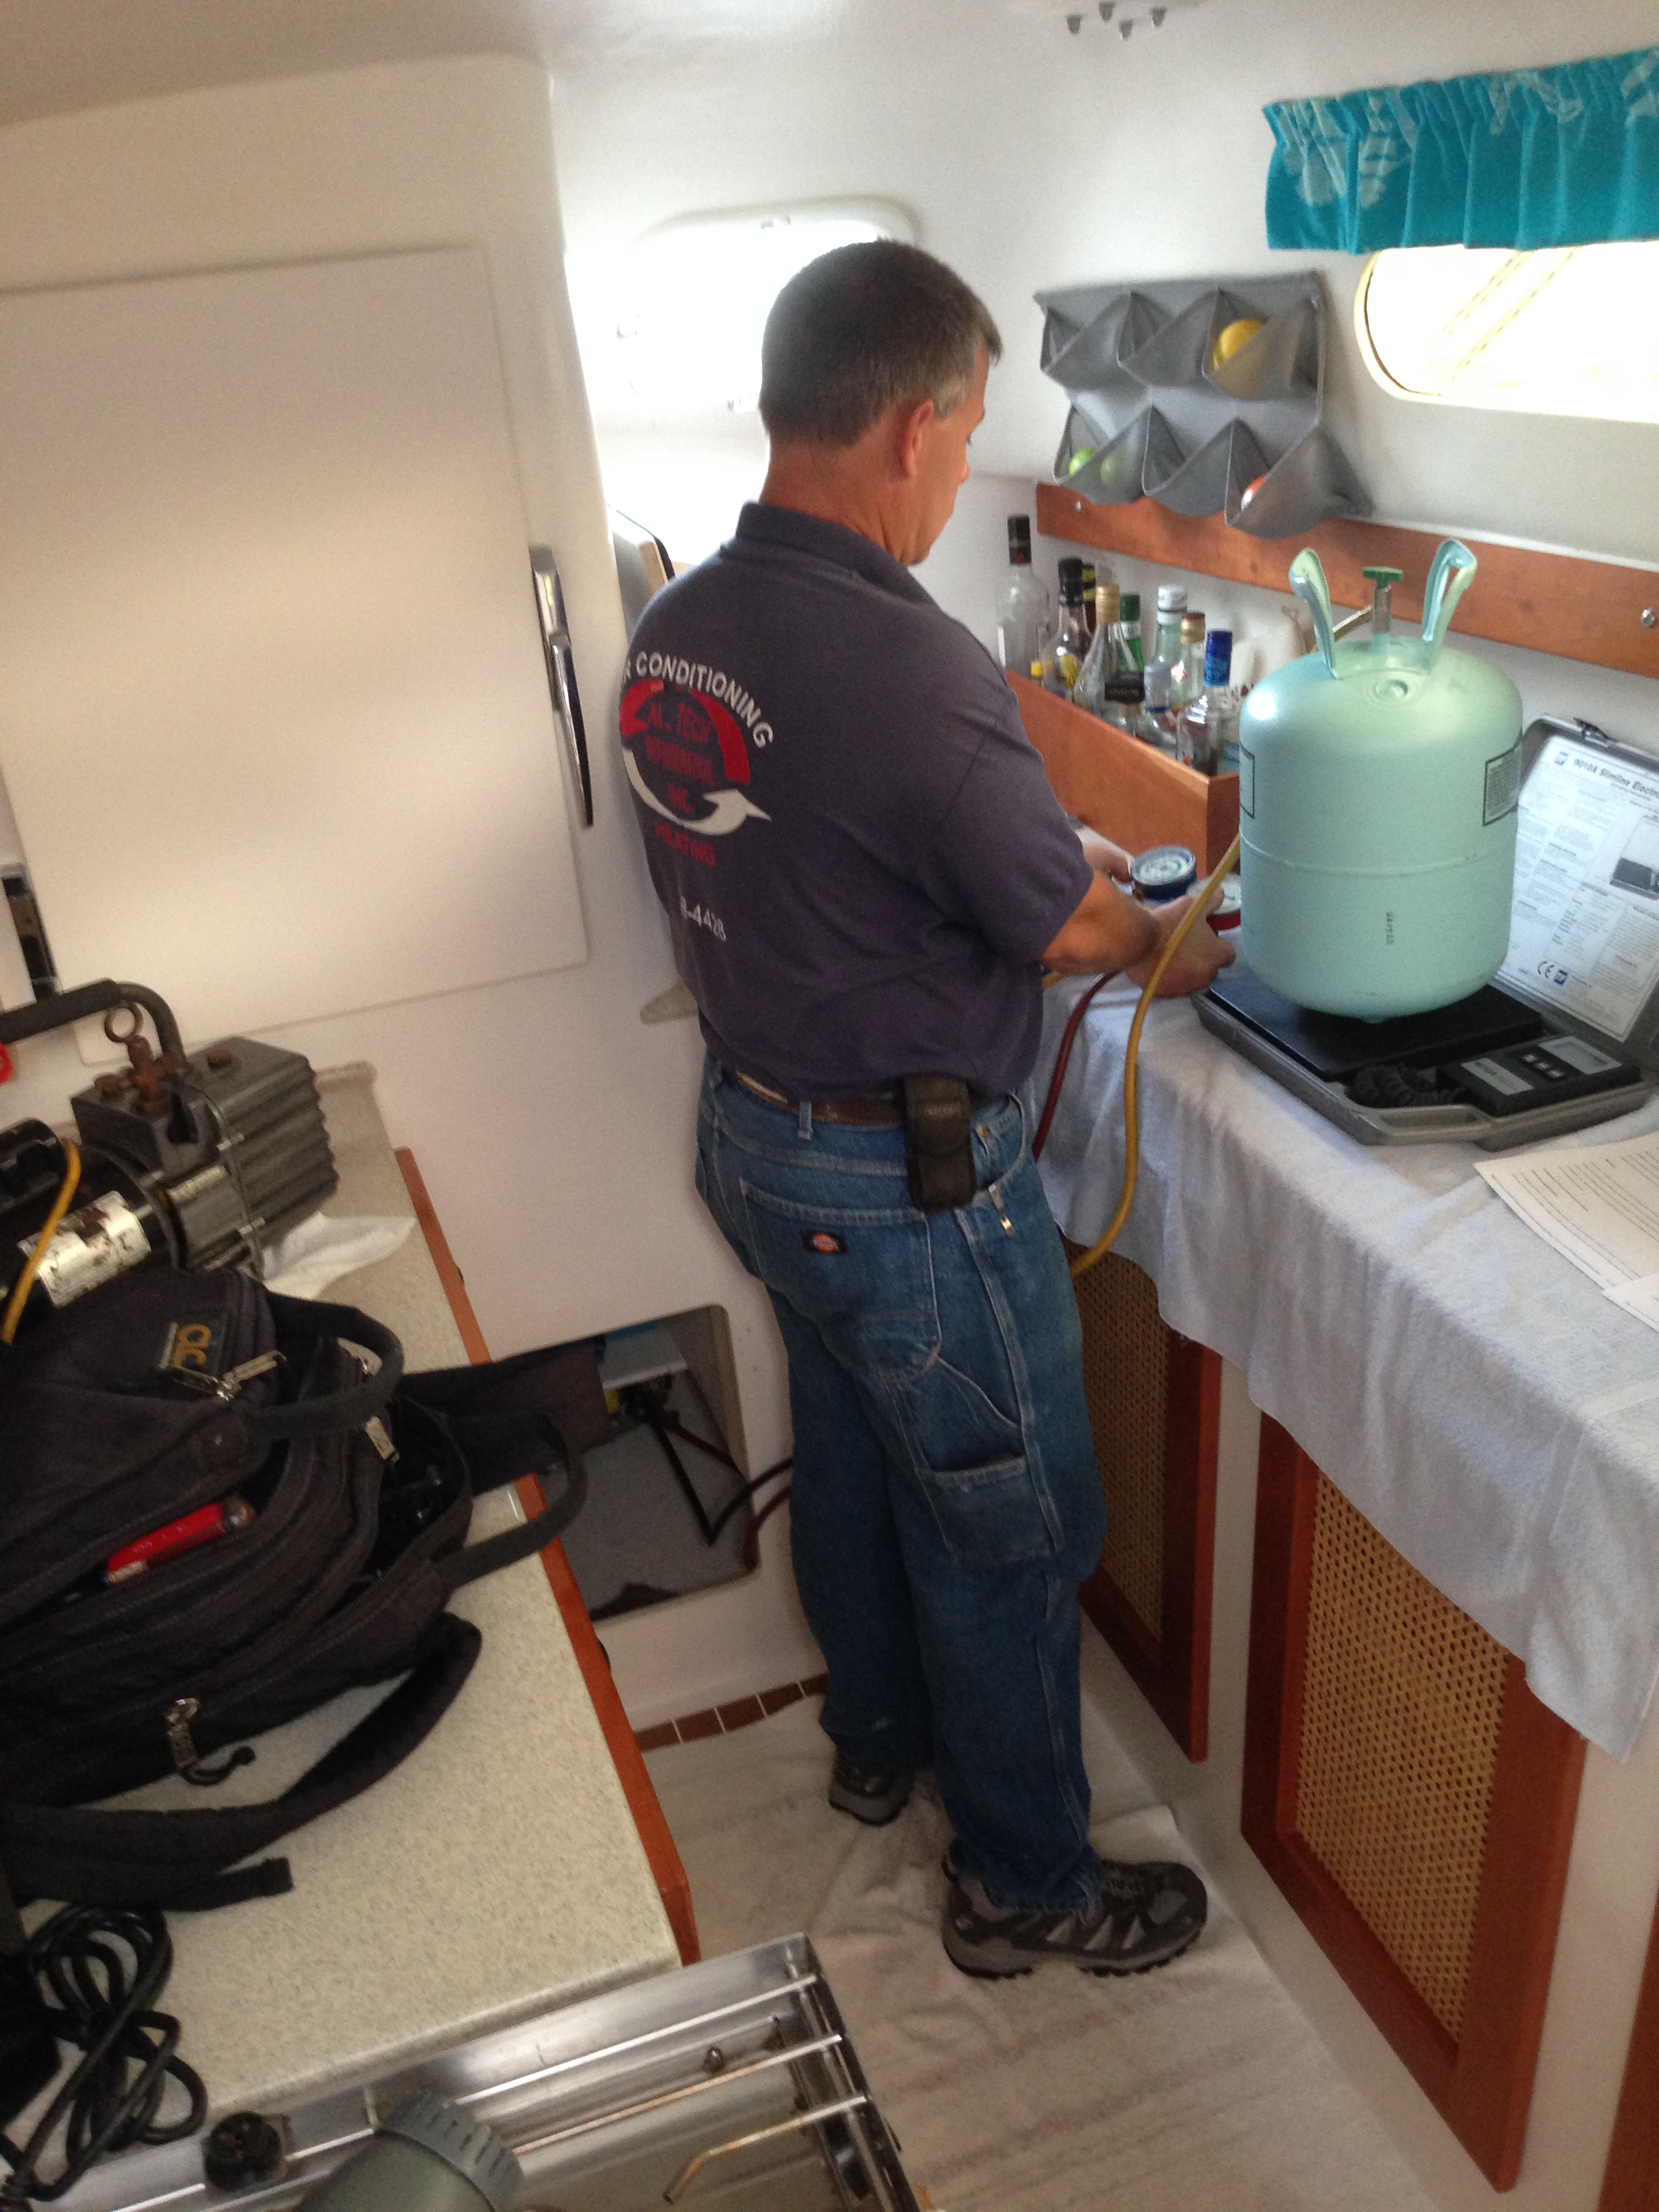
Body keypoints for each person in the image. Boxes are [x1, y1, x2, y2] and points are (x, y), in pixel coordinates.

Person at [619, 241, 1233, 1977]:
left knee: (862, 1460)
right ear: (911, 427)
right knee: (1012, 1528)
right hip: (906, 1187)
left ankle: (879, 1750)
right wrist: (1176, 939)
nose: (965, 471)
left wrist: (1044, 854)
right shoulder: (910, 663)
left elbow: (832, 846)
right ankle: (1027, 1885)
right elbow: (1070, 932)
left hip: (756, 1144)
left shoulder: (680, 627)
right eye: (966, 436)